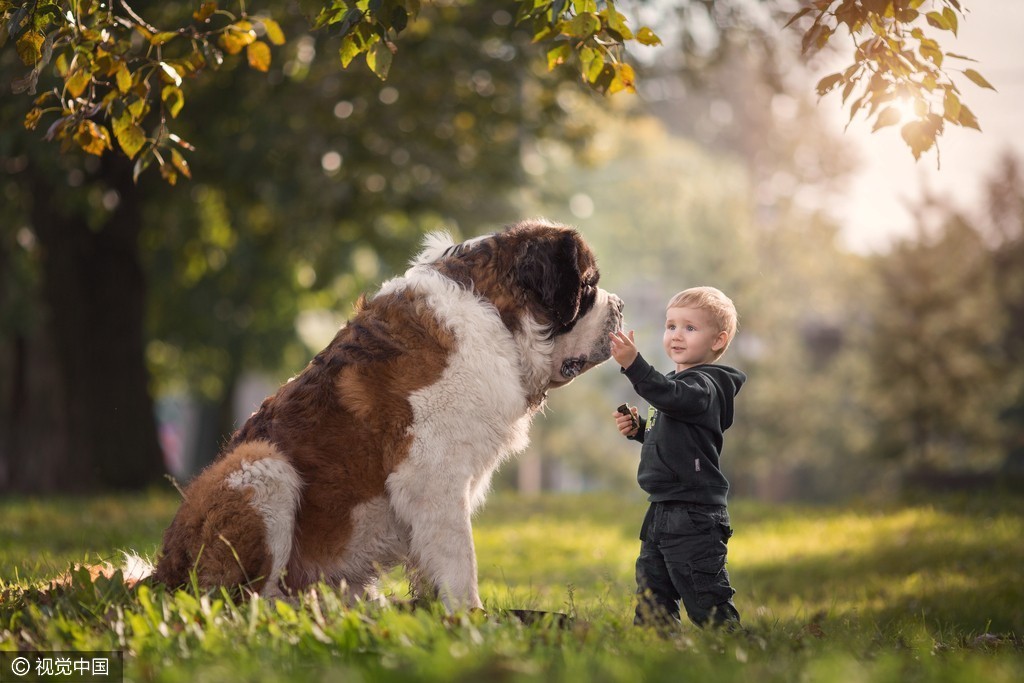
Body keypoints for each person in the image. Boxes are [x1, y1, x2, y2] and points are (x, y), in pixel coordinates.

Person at [609, 286, 746, 630]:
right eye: (671, 326)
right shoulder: (678, 385)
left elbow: (672, 397)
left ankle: (736, 653)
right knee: (652, 595)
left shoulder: (707, 385)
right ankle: (658, 653)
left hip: (693, 514)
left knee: (706, 598)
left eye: (690, 328)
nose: (676, 336)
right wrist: (640, 429)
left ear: (718, 340)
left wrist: (634, 365)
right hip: (662, 509)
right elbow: (676, 433)